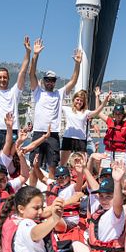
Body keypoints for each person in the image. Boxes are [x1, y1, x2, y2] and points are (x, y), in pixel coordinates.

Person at [29, 38, 82, 170]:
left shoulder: (59, 93)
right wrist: (35, 55)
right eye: (47, 80)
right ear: (43, 81)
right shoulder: (38, 92)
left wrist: (77, 64)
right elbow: (31, 74)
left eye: (52, 80)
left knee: (52, 166)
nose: (50, 82)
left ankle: (51, 188)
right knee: (34, 167)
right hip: (38, 133)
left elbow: (73, 81)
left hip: (53, 135)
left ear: (55, 82)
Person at [72, 160, 126, 252]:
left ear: (119, 197)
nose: (103, 200)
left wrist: (118, 182)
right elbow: (95, 188)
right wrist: (85, 169)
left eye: (109, 197)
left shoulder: (115, 213)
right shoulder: (111, 209)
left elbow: (117, 204)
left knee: (74, 244)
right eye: (101, 196)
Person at [60, 89, 111, 165]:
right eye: (77, 100)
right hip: (68, 138)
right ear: (74, 99)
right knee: (63, 163)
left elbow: (97, 112)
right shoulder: (67, 109)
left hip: (81, 140)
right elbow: (55, 103)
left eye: (81, 101)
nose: (79, 102)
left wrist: (105, 101)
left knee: (82, 163)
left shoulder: (86, 112)